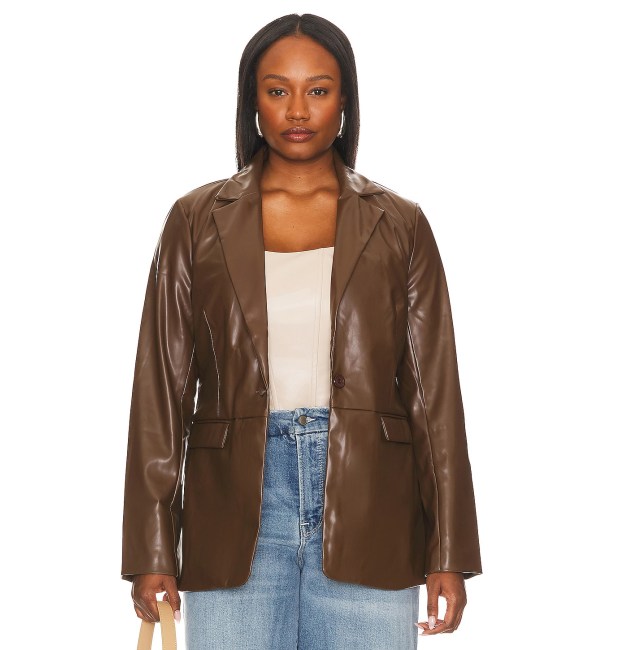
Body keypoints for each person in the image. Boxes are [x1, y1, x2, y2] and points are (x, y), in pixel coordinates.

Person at [121, 13, 482, 649]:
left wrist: (448, 549)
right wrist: (152, 547)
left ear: (345, 101)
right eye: (276, 90)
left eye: (317, 89)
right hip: (233, 513)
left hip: (371, 509)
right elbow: (161, 394)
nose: (296, 110)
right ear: (251, 101)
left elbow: (434, 399)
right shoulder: (195, 221)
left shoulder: (400, 224)